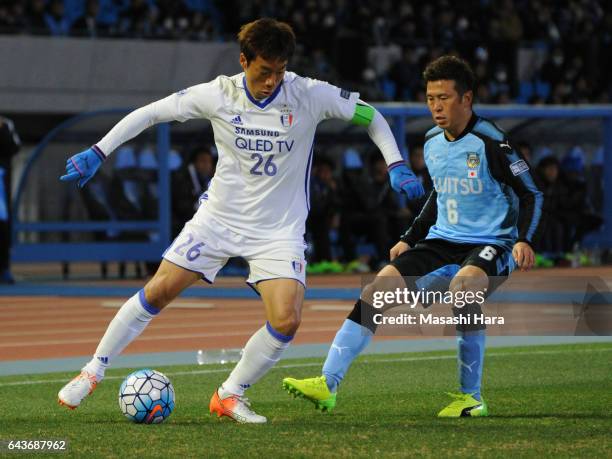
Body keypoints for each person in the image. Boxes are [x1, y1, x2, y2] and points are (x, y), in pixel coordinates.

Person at [56, 18, 424, 424]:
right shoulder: (219, 94)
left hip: (278, 231)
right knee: (158, 291)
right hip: (218, 219)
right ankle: (92, 371)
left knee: (286, 319)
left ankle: (230, 394)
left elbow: (370, 115)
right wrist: (99, 150)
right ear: (244, 61)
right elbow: (150, 113)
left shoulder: (308, 94)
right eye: (264, 71)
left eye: (279, 71)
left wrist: (396, 162)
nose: (272, 81)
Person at [283, 55, 543, 417]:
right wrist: (408, 237)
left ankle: (472, 397)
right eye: (430, 97)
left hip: (491, 243)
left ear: (466, 99)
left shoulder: (492, 142)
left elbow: (532, 193)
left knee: (464, 289)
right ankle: (328, 383)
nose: (436, 106)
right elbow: (439, 196)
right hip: (441, 241)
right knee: (377, 289)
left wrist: (523, 239)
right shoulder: (433, 141)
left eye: (444, 97)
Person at [0, 116, 21, 284]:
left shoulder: (6, 124)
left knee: (3, 225)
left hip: (2, 184)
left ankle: (4, 268)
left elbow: (15, 147)